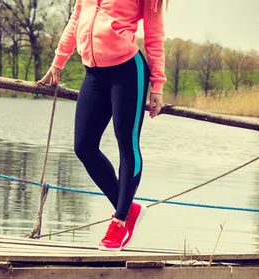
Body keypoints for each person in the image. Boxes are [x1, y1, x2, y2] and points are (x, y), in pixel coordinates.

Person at [39, 0, 167, 251]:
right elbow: (76, 18)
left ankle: (120, 221)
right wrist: (58, 61)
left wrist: (157, 85)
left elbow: (154, 37)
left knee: (127, 144)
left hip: (128, 71)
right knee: (84, 146)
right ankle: (130, 210)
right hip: (94, 73)